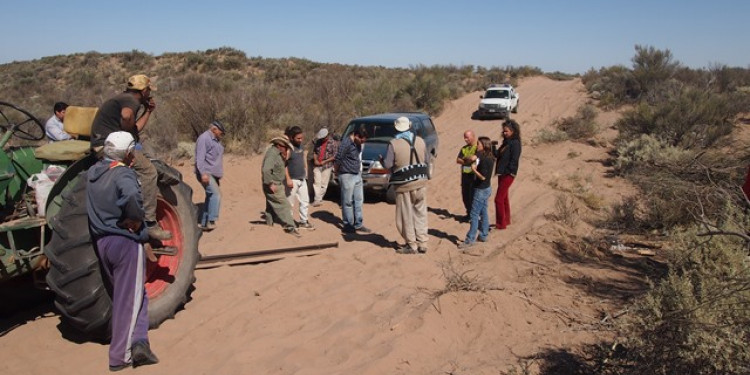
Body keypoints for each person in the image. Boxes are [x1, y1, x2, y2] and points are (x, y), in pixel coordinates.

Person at [87, 131, 159, 371]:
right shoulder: (123, 173)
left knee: (136, 294)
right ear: (129, 153)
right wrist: (136, 219)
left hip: (102, 242)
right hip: (124, 242)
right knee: (127, 300)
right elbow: (130, 194)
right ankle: (121, 356)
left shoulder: (94, 173)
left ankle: (140, 342)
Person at [90, 74, 171, 241]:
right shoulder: (131, 101)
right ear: (143, 91)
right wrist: (125, 131)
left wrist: (148, 111)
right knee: (149, 172)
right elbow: (127, 117)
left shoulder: (120, 98)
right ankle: (149, 222)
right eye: (149, 91)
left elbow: (135, 129)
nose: (150, 94)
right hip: (110, 147)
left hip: (100, 143)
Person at [382, 117, 429, 254]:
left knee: (405, 215)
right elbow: (426, 160)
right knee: (421, 213)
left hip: (404, 185)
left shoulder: (393, 144)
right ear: (409, 126)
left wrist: (382, 161)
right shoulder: (420, 141)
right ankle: (423, 243)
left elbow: (388, 165)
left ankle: (411, 244)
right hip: (421, 182)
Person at [459, 136, 496, 249]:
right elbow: (473, 157)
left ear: (484, 145)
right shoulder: (488, 156)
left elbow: (483, 177)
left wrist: (474, 169)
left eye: (479, 144)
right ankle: (484, 234)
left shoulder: (484, 158)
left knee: (474, 214)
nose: (477, 146)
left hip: (481, 189)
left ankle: (470, 239)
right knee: (483, 211)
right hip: (486, 188)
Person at [334, 126, 371, 234]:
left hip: (357, 174)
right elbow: (338, 158)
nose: (362, 143)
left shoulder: (358, 143)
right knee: (347, 201)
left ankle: (358, 224)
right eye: (362, 140)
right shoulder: (345, 143)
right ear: (356, 136)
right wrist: (336, 172)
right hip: (346, 175)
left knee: (359, 200)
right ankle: (348, 224)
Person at [262, 136, 301, 237]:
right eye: (285, 146)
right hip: (273, 184)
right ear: (279, 145)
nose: (287, 149)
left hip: (275, 183)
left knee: (270, 205)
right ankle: (290, 227)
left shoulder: (277, 154)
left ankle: (269, 224)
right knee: (284, 206)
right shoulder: (272, 154)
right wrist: (270, 183)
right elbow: (266, 170)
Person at [195, 120, 226, 231]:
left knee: (210, 196)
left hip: (213, 174)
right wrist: (203, 173)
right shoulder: (204, 138)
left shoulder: (216, 141)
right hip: (206, 173)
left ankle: (204, 223)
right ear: (214, 129)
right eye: (220, 132)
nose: (221, 135)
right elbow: (200, 158)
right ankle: (211, 220)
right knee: (216, 194)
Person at [492, 119, 522, 230]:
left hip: (508, 174)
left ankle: (501, 224)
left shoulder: (515, 144)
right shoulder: (506, 142)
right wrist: (492, 147)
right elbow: (497, 155)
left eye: (507, 131)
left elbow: (514, 160)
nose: (504, 133)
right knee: (504, 198)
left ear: (513, 131)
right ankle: (506, 220)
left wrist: (510, 172)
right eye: (504, 131)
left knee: (498, 199)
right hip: (502, 173)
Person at [284, 126, 314, 230]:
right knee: (290, 203)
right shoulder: (288, 148)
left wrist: (306, 172)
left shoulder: (301, 146)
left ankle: (303, 221)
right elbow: (284, 164)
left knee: (305, 200)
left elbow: (303, 158)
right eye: (298, 138)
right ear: (292, 138)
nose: (300, 140)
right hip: (292, 179)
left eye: (301, 138)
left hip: (302, 178)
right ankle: (289, 223)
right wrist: (287, 178)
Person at [311, 127, 338, 207]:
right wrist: (315, 160)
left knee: (324, 184)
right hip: (317, 165)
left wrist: (325, 161)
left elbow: (335, 156)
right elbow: (315, 152)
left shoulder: (333, 143)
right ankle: (317, 199)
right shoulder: (318, 142)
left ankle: (318, 199)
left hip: (327, 165)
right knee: (317, 182)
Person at [456, 130, 478, 220]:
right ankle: (468, 213)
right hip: (465, 175)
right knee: (465, 196)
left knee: (473, 196)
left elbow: (475, 159)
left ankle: (474, 215)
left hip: (474, 175)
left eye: (467, 137)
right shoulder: (464, 148)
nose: (465, 139)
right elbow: (458, 160)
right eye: (464, 137)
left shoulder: (477, 147)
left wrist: (466, 160)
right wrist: (466, 160)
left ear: (473, 136)